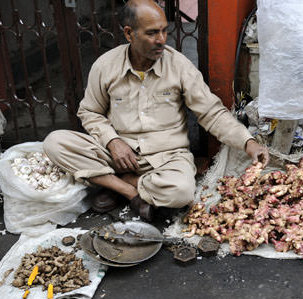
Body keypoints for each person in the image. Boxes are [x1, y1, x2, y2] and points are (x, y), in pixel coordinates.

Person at [43, 0, 269, 222]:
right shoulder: (105, 66)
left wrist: (248, 142)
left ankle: (119, 184)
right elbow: (90, 112)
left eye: (164, 31)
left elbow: (211, 112)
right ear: (129, 33)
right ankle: (130, 191)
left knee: (181, 192)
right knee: (55, 142)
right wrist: (112, 141)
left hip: (167, 157)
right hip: (118, 154)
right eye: (152, 33)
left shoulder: (178, 65)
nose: (161, 40)